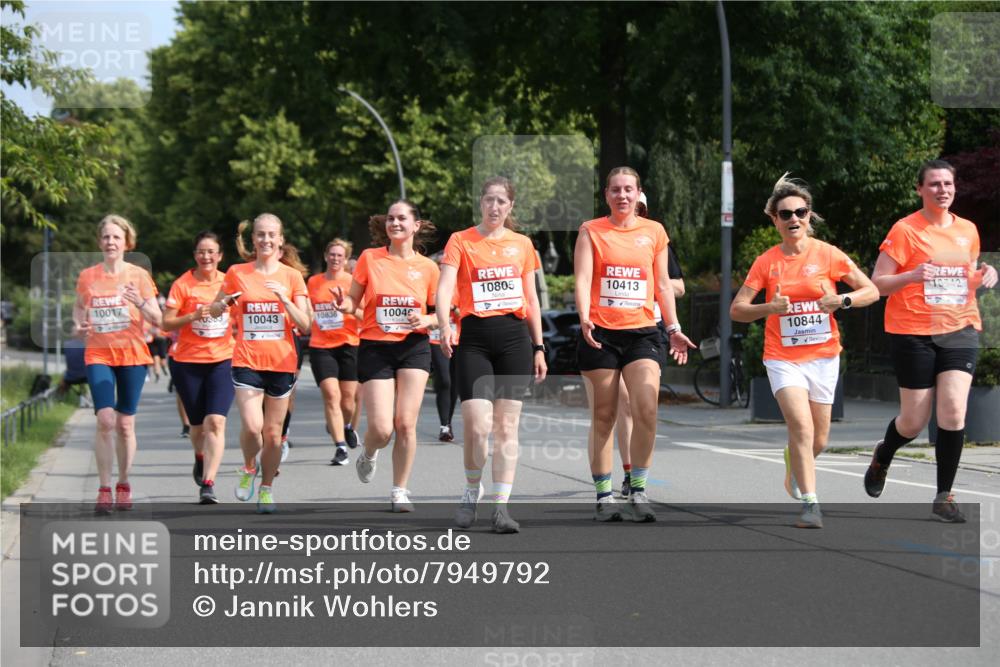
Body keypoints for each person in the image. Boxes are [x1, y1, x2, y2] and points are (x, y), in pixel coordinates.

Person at [730, 174, 878, 528]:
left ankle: (793, 464)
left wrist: (841, 299)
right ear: (774, 220)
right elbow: (737, 309)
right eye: (785, 214)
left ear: (809, 216)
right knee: (801, 426)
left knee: (820, 438)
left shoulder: (827, 254)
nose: (793, 219)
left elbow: (871, 291)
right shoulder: (767, 262)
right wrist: (769, 308)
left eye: (800, 212)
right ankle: (811, 505)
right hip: (782, 358)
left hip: (824, 355)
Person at [864, 159, 998, 522]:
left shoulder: (967, 230)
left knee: (954, 410)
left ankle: (944, 495)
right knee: (913, 421)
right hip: (913, 332)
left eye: (948, 184)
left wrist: (986, 274)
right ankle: (884, 453)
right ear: (920, 189)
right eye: (935, 184)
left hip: (960, 328)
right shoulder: (905, 230)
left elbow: (964, 277)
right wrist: (912, 275)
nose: (943, 190)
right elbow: (877, 284)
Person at [575, 167, 695, 523]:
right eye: (615, 190)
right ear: (606, 195)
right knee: (604, 415)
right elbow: (582, 279)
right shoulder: (591, 231)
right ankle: (602, 496)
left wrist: (673, 327)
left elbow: (662, 284)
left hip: (643, 332)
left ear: (638, 193)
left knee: (646, 409)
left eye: (628, 189)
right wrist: (583, 316)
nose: (622, 196)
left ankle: (638, 489)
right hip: (601, 334)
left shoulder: (654, 232)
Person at [436, 176, 548, 533]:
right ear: (480, 203)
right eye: (489, 200)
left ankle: (501, 508)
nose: (495, 207)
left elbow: (531, 300)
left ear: (510, 206)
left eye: (501, 201)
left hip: (515, 340)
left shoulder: (523, 245)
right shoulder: (461, 241)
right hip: (475, 340)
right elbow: (444, 289)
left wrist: (539, 347)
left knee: (506, 428)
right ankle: (472, 491)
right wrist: (443, 324)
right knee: (476, 425)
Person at [333, 202, 439, 512]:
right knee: (382, 429)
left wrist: (428, 321)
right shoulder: (370, 258)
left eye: (402, 218)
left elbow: (445, 311)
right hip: (376, 346)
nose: (395, 223)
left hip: (413, 347)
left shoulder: (429, 268)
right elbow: (354, 301)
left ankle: (399, 490)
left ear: (415, 225)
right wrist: (345, 306)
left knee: (406, 424)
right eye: (390, 218)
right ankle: (369, 451)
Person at [210, 213, 311, 513]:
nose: (266, 240)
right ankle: (248, 467)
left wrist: (287, 302)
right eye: (260, 235)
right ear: (253, 239)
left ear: (280, 240)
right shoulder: (237, 272)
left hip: (281, 361)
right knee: (253, 428)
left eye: (271, 235)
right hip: (247, 359)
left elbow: (306, 325)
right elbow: (214, 311)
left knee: (272, 434)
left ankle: (266, 488)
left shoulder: (292, 277)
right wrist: (225, 303)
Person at [73, 214, 162, 514]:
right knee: (105, 420)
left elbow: (159, 319)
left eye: (116, 237)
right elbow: (78, 308)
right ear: (99, 242)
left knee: (125, 424)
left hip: (132, 354)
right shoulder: (88, 276)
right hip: (98, 353)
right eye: (106, 237)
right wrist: (78, 326)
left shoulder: (138, 275)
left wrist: (139, 302)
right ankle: (103, 488)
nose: (111, 242)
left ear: (127, 242)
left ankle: (123, 483)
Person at [616, 191, 686, 498]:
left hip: (650, 328)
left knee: (642, 405)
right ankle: (629, 472)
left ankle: (639, 474)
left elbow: (679, 286)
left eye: (642, 206)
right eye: (634, 205)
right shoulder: (607, 237)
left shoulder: (656, 239)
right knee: (623, 405)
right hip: (612, 327)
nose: (637, 210)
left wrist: (651, 278)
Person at [162, 231, 236, 504]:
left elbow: (242, 311)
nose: (206, 257)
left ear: (219, 256)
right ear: (195, 256)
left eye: (211, 252)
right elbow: (166, 323)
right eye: (201, 252)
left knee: (215, 421)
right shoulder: (183, 284)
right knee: (197, 427)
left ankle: (208, 483)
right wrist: (194, 315)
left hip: (223, 359)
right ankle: (199, 455)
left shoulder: (230, 282)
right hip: (188, 362)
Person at [308, 238, 361, 466]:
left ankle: (346, 426)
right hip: (321, 346)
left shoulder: (353, 282)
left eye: (340, 255)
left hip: (349, 343)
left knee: (348, 401)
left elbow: (364, 313)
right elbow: (307, 311)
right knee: (331, 395)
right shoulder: (313, 282)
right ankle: (340, 446)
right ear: (325, 255)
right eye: (332, 254)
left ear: (346, 258)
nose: (336, 259)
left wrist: (346, 308)